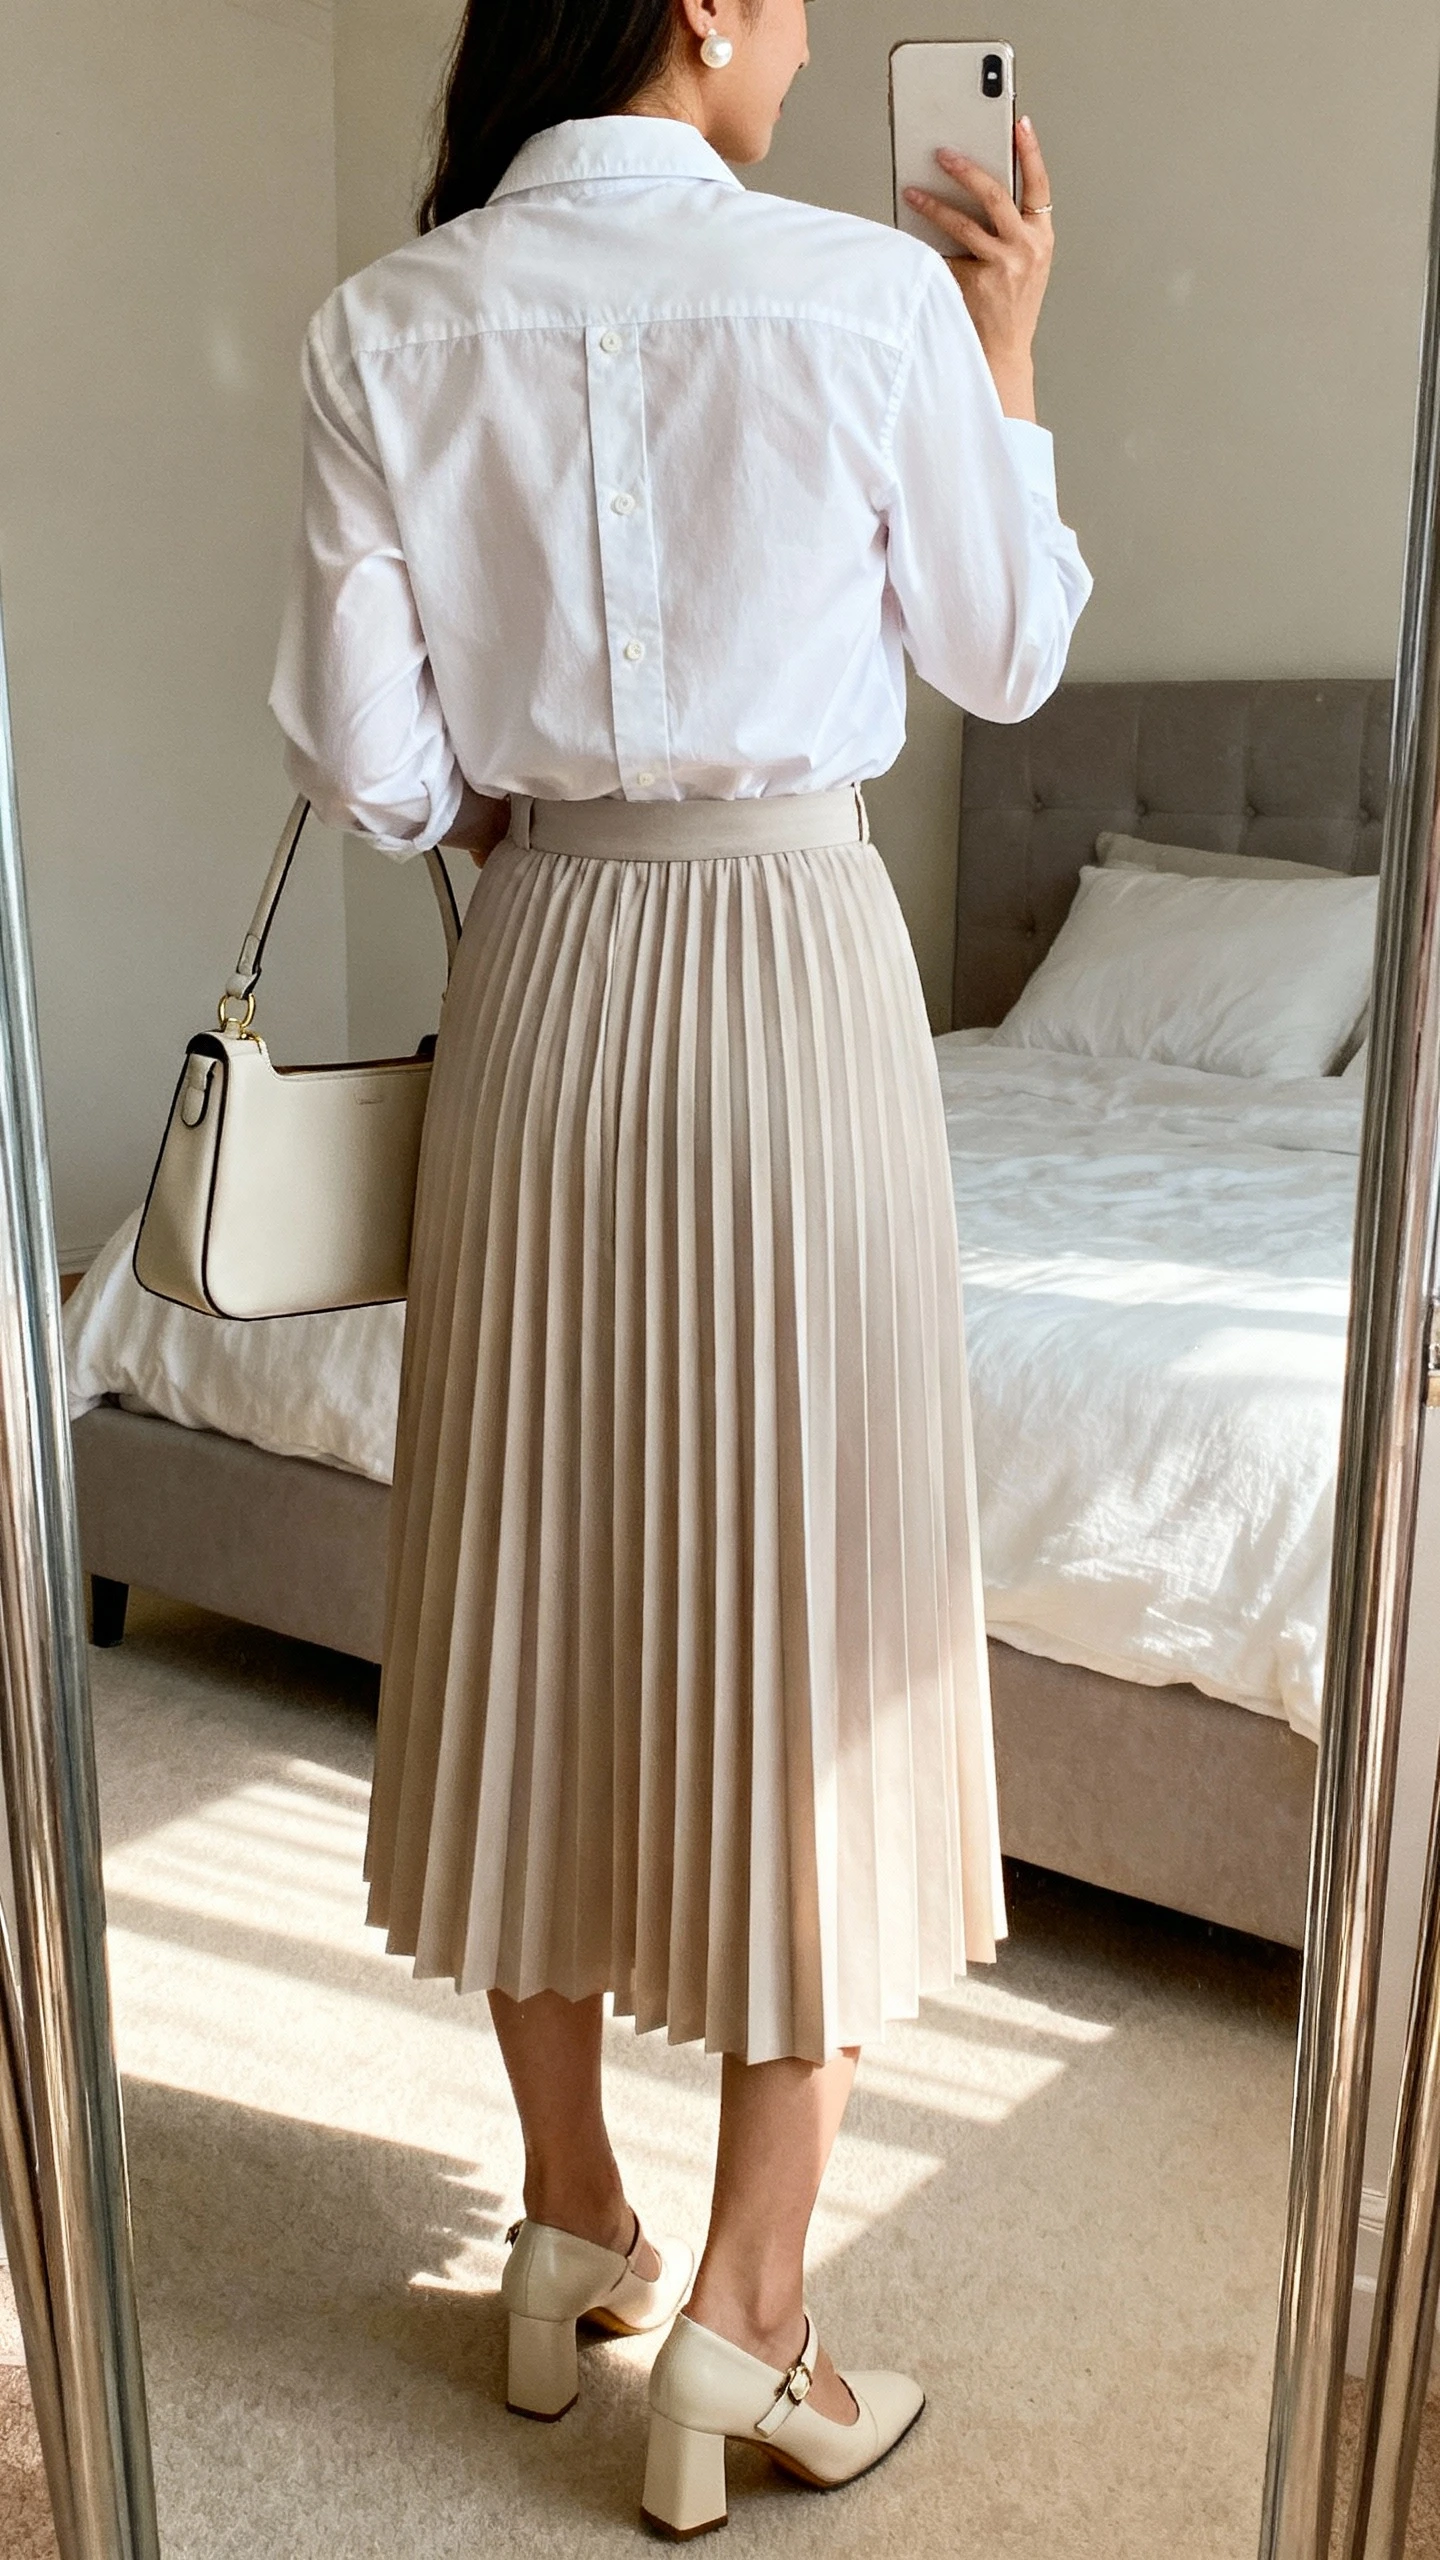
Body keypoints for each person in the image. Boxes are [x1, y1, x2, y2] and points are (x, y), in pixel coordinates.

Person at [270, 0, 1090, 2534]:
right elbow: (1006, 648)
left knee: (524, 1584)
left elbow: (373, 757)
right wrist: (1010, 351)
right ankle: (745, 2317)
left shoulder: (388, 318)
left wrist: (522, 801)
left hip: (534, 976)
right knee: (808, 1624)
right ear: (711, 9)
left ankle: (565, 2222)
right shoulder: (864, 294)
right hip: (787, 980)